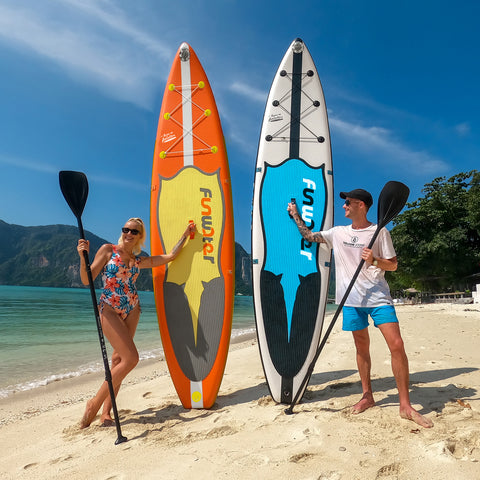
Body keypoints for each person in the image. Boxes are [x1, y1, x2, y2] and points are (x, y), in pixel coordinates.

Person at [287, 189, 433, 428]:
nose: (344, 206)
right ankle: (367, 395)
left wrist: (373, 260)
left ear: (361, 205)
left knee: (397, 345)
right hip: (351, 301)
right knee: (361, 347)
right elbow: (310, 236)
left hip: (378, 298)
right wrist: (295, 215)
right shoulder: (337, 233)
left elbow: (393, 265)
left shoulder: (380, 232)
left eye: (348, 202)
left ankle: (405, 405)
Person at [76, 217, 195, 428]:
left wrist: (185, 236)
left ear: (140, 237)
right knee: (131, 359)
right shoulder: (108, 250)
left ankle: (106, 413)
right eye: (126, 229)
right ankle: (93, 404)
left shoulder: (139, 260)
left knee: (118, 360)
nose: (128, 234)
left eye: (134, 231)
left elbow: (169, 256)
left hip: (132, 309)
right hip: (109, 308)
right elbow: (87, 279)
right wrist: (81, 256)